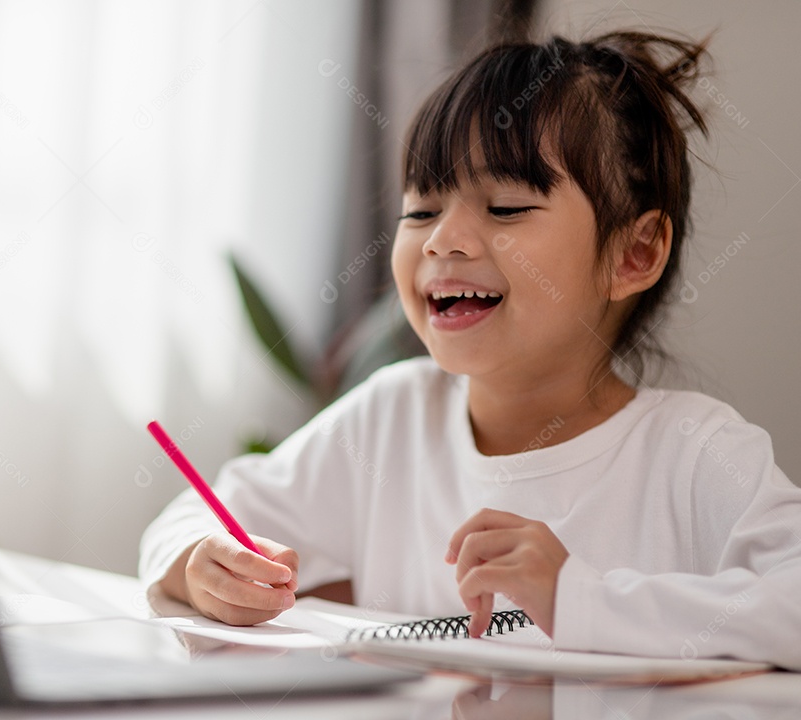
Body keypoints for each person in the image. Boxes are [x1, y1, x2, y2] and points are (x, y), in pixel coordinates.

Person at [139, 29, 801, 669]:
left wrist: (581, 599)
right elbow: (193, 519)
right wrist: (202, 563)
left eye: (506, 207)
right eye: (421, 212)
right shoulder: (391, 417)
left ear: (635, 252)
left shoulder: (694, 452)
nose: (441, 240)